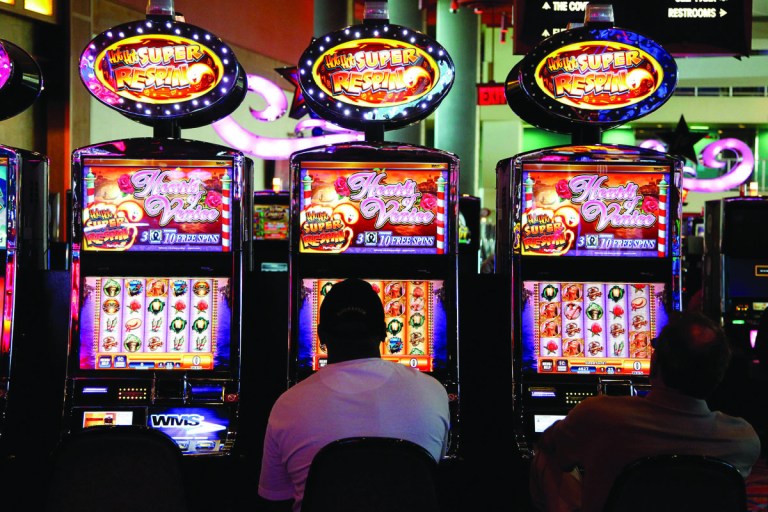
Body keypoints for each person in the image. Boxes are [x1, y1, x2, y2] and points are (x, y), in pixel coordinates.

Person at [530, 311, 762, 512]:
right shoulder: (743, 439)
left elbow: (551, 445)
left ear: (654, 361)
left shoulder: (597, 414)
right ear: (720, 373)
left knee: (544, 455)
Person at [257, 278, 451, 512]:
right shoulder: (433, 392)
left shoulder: (288, 405)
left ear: (320, 337)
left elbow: (274, 500)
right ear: (384, 333)